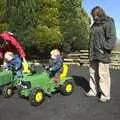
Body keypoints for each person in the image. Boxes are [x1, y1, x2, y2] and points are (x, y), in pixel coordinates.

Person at [86, 6, 116, 103]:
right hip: (93, 53)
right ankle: (93, 90)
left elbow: (112, 38)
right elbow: (91, 40)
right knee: (92, 73)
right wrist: (90, 52)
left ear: (101, 14)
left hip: (103, 53)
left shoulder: (109, 22)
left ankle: (105, 95)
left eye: (96, 15)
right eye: (93, 16)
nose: (95, 17)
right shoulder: (94, 25)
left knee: (103, 75)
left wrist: (105, 48)